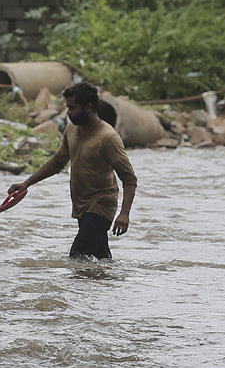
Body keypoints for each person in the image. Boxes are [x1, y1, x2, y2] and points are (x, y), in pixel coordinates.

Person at [8, 82, 137, 260]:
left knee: (78, 256)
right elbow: (57, 161)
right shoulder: (71, 129)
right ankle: (110, 284)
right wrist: (26, 183)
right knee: (101, 259)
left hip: (101, 205)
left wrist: (124, 214)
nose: (67, 112)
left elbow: (129, 179)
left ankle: (77, 289)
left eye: (72, 107)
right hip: (81, 204)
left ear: (89, 107)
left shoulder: (108, 138)